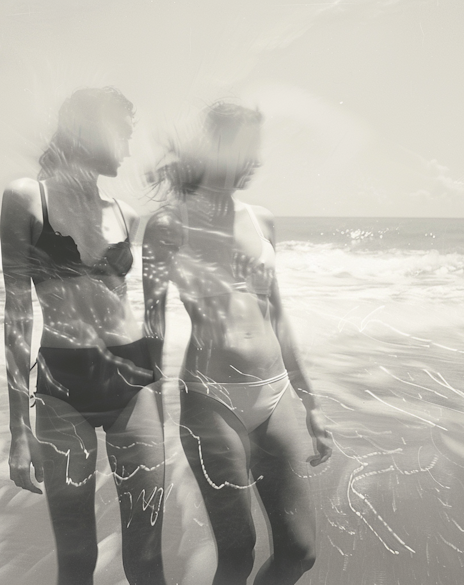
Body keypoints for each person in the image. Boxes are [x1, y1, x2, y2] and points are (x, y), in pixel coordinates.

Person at [142, 102, 332, 585]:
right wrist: (148, 414)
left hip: (276, 394)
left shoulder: (261, 220)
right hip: (211, 397)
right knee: (237, 551)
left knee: (300, 552)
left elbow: (279, 315)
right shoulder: (167, 226)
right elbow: (153, 327)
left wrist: (311, 404)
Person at [0, 87, 166, 585]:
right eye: (125, 135)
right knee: (76, 559)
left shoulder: (126, 214)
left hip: (132, 380)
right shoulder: (27, 197)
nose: (130, 150)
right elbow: (17, 314)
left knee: (147, 558)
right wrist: (16, 431)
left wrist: (162, 395)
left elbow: (139, 313)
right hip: (62, 385)